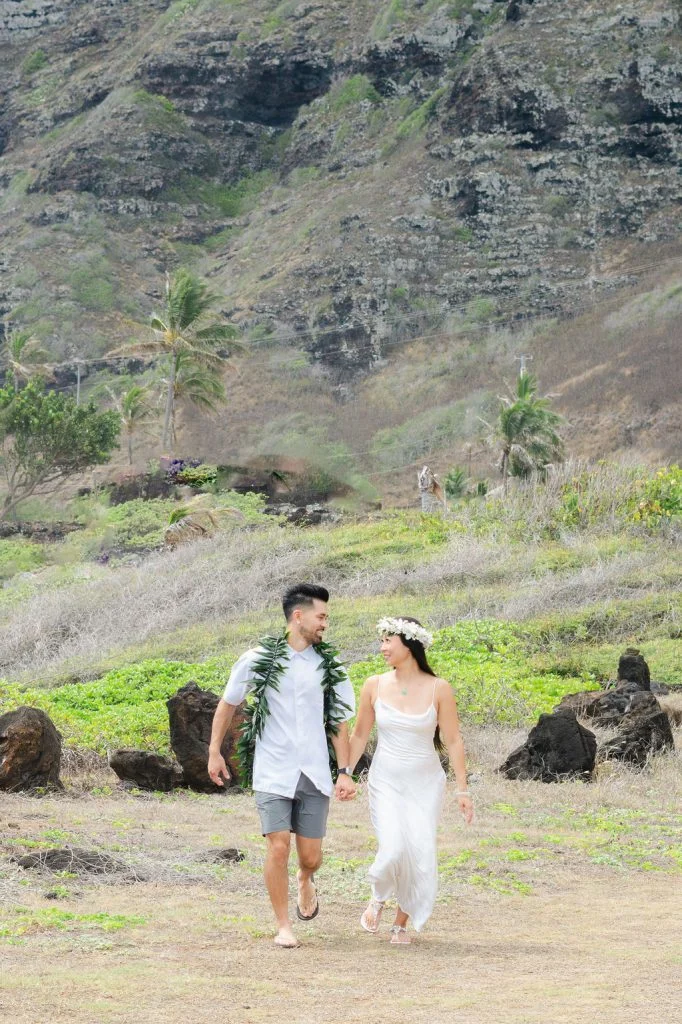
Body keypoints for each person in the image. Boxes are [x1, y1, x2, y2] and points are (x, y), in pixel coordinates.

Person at [208, 583, 356, 948]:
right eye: (321, 616)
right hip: (273, 769)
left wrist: (344, 771)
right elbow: (229, 703)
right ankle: (283, 925)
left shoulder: (328, 664)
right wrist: (214, 751)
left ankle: (306, 881)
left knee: (310, 856)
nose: (325, 623)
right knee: (277, 846)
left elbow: (339, 720)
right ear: (298, 616)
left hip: (314, 771)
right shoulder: (257, 658)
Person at [349, 616, 473, 945]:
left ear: (410, 644)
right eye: (382, 640)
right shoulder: (373, 684)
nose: (382, 647)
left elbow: (454, 740)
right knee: (392, 847)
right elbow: (360, 734)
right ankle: (378, 897)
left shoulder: (438, 688)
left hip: (425, 781)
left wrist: (462, 789)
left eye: (389, 640)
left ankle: (400, 924)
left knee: (418, 849)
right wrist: (344, 773)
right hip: (386, 779)